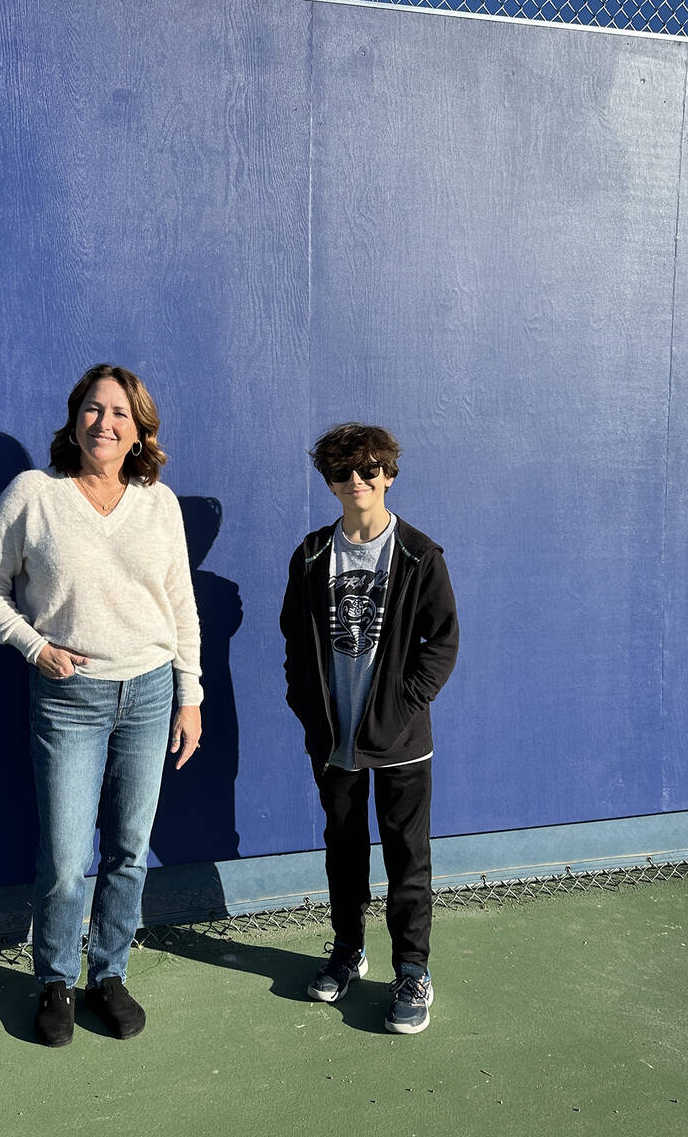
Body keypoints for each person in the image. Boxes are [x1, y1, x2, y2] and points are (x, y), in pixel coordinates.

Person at [0, 365, 202, 1047]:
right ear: (74, 419)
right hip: (68, 699)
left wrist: (191, 695)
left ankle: (109, 974)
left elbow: (180, 605)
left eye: (120, 414)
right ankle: (54, 981)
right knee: (67, 857)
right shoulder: (34, 494)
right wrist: (32, 645)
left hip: (151, 690)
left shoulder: (159, 502)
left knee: (129, 849)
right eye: (94, 410)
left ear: (140, 431)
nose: (105, 423)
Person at [279, 423, 458, 1035]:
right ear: (329, 483)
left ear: (390, 474)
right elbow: (295, 643)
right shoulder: (309, 556)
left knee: (408, 858)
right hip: (334, 739)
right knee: (344, 852)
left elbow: (444, 642)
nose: (358, 480)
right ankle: (346, 950)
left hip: (402, 740)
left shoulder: (418, 554)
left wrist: (404, 706)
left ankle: (412, 969)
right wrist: (306, 703)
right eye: (343, 472)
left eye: (370, 468)